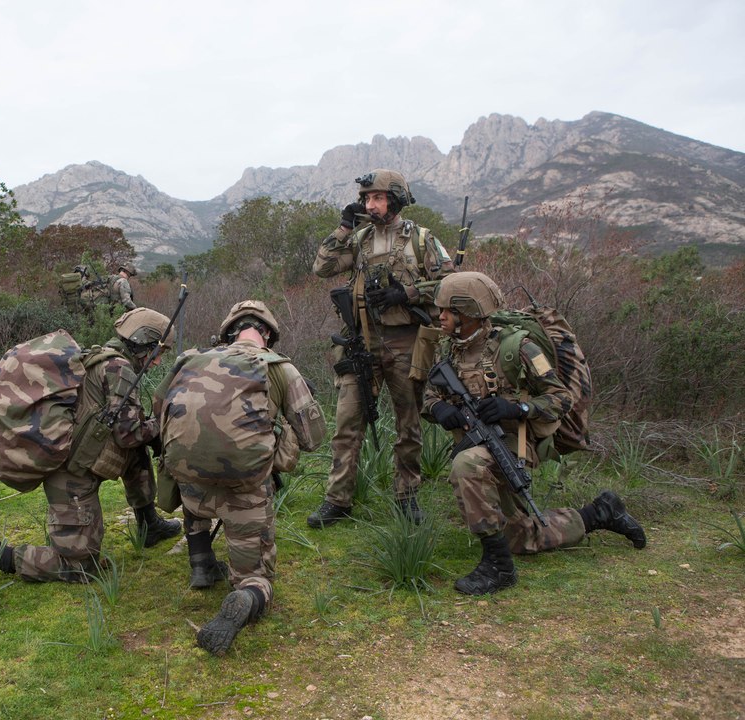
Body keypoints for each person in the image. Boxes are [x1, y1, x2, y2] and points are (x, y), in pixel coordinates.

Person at [422, 271, 647, 595]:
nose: (440, 316)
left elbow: (561, 398)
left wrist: (517, 409)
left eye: (448, 310)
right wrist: (439, 410)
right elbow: (430, 395)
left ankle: (498, 567)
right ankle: (600, 513)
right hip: (478, 441)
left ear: (468, 312)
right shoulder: (450, 349)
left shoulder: (517, 348)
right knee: (521, 537)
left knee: (466, 465)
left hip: (516, 443)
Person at [153, 301, 326, 655]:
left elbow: (159, 412)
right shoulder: (279, 367)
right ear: (268, 335)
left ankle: (201, 563)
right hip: (245, 491)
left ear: (229, 333)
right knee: (256, 578)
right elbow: (313, 438)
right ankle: (246, 596)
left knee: (199, 458)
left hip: (191, 489)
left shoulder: (190, 360)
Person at [0, 307, 181, 583]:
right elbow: (129, 434)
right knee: (80, 567)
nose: (157, 361)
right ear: (142, 344)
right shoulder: (119, 369)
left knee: (137, 454)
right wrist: (161, 424)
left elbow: (126, 435)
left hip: (85, 459)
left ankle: (149, 524)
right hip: (71, 477)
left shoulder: (99, 358)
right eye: (157, 352)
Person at [308, 169, 454, 528]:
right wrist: (343, 228)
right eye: (366, 199)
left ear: (396, 199)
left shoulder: (421, 239)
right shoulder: (358, 239)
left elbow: (451, 284)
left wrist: (406, 294)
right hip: (363, 341)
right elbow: (322, 267)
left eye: (377, 198)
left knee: (409, 423)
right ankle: (338, 499)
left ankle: (407, 496)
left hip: (406, 341)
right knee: (347, 422)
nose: (370, 205)